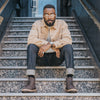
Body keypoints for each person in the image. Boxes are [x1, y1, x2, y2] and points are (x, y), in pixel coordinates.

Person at [22, 4, 77, 93]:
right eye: (46, 14)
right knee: (31, 46)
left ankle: (69, 81)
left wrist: (52, 45)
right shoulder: (37, 24)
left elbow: (68, 39)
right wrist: (47, 45)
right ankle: (31, 82)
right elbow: (31, 39)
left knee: (68, 47)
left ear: (55, 15)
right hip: (41, 57)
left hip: (57, 58)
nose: (49, 17)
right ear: (43, 15)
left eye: (51, 14)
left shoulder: (62, 24)